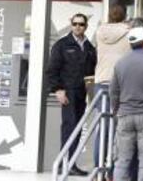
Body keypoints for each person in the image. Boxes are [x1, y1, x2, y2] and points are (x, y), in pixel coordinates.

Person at [47, 13, 97, 176]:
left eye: (81, 24)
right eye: (75, 23)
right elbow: (52, 70)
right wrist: (57, 90)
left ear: (86, 26)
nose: (77, 27)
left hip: (82, 93)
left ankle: (72, 163)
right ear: (71, 24)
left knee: (77, 128)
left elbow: (92, 72)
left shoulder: (89, 47)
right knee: (69, 127)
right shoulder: (61, 45)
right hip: (67, 92)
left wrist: (92, 93)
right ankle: (63, 164)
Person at [111, 27, 143, 181]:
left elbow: (113, 91)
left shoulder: (120, 63)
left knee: (122, 160)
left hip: (125, 115)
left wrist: (116, 111)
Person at [94, 4, 130, 178]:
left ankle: (98, 168)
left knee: (102, 128)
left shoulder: (99, 32)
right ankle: (114, 171)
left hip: (101, 82)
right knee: (120, 129)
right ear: (125, 16)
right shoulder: (129, 33)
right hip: (121, 83)